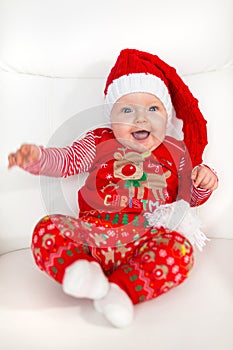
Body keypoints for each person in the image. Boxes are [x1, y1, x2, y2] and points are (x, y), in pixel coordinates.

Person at [8, 49, 218, 328]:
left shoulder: (176, 152)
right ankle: (83, 272)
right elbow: (67, 161)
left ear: (166, 117)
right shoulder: (99, 141)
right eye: (127, 110)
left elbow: (186, 201)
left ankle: (121, 291)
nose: (141, 119)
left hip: (146, 239)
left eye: (153, 109)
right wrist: (37, 158)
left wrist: (202, 183)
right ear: (111, 117)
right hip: (94, 234)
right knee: (48, 228)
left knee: (181, 250)